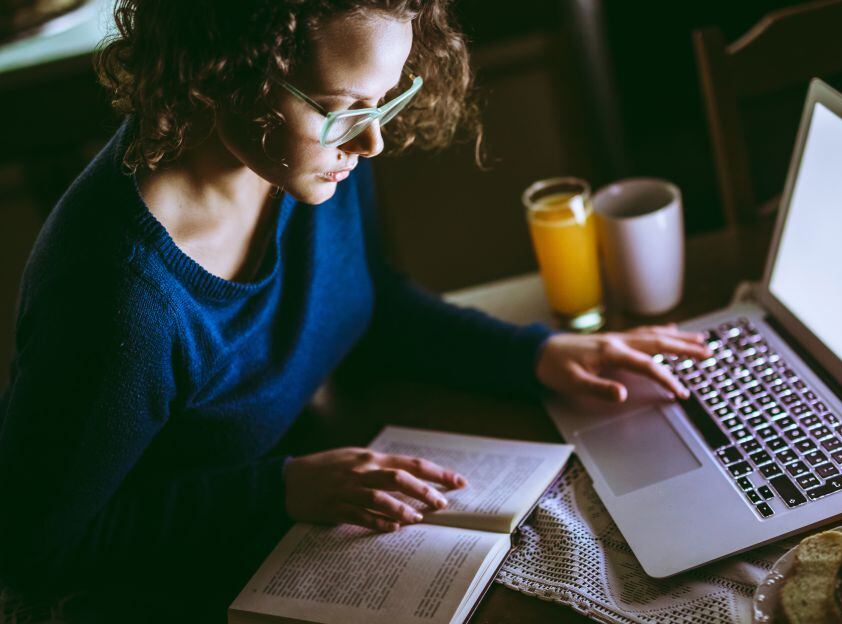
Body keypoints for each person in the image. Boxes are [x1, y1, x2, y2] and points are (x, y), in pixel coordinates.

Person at [0, 0, 708, 621]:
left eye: (385, 101)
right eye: (341, 109)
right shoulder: (120, 301)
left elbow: (367, 306)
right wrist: (277, 489)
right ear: (224, 69)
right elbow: (38, 548)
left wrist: (535, 354)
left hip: (296, 534)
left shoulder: (290, 161)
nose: (370, 142)